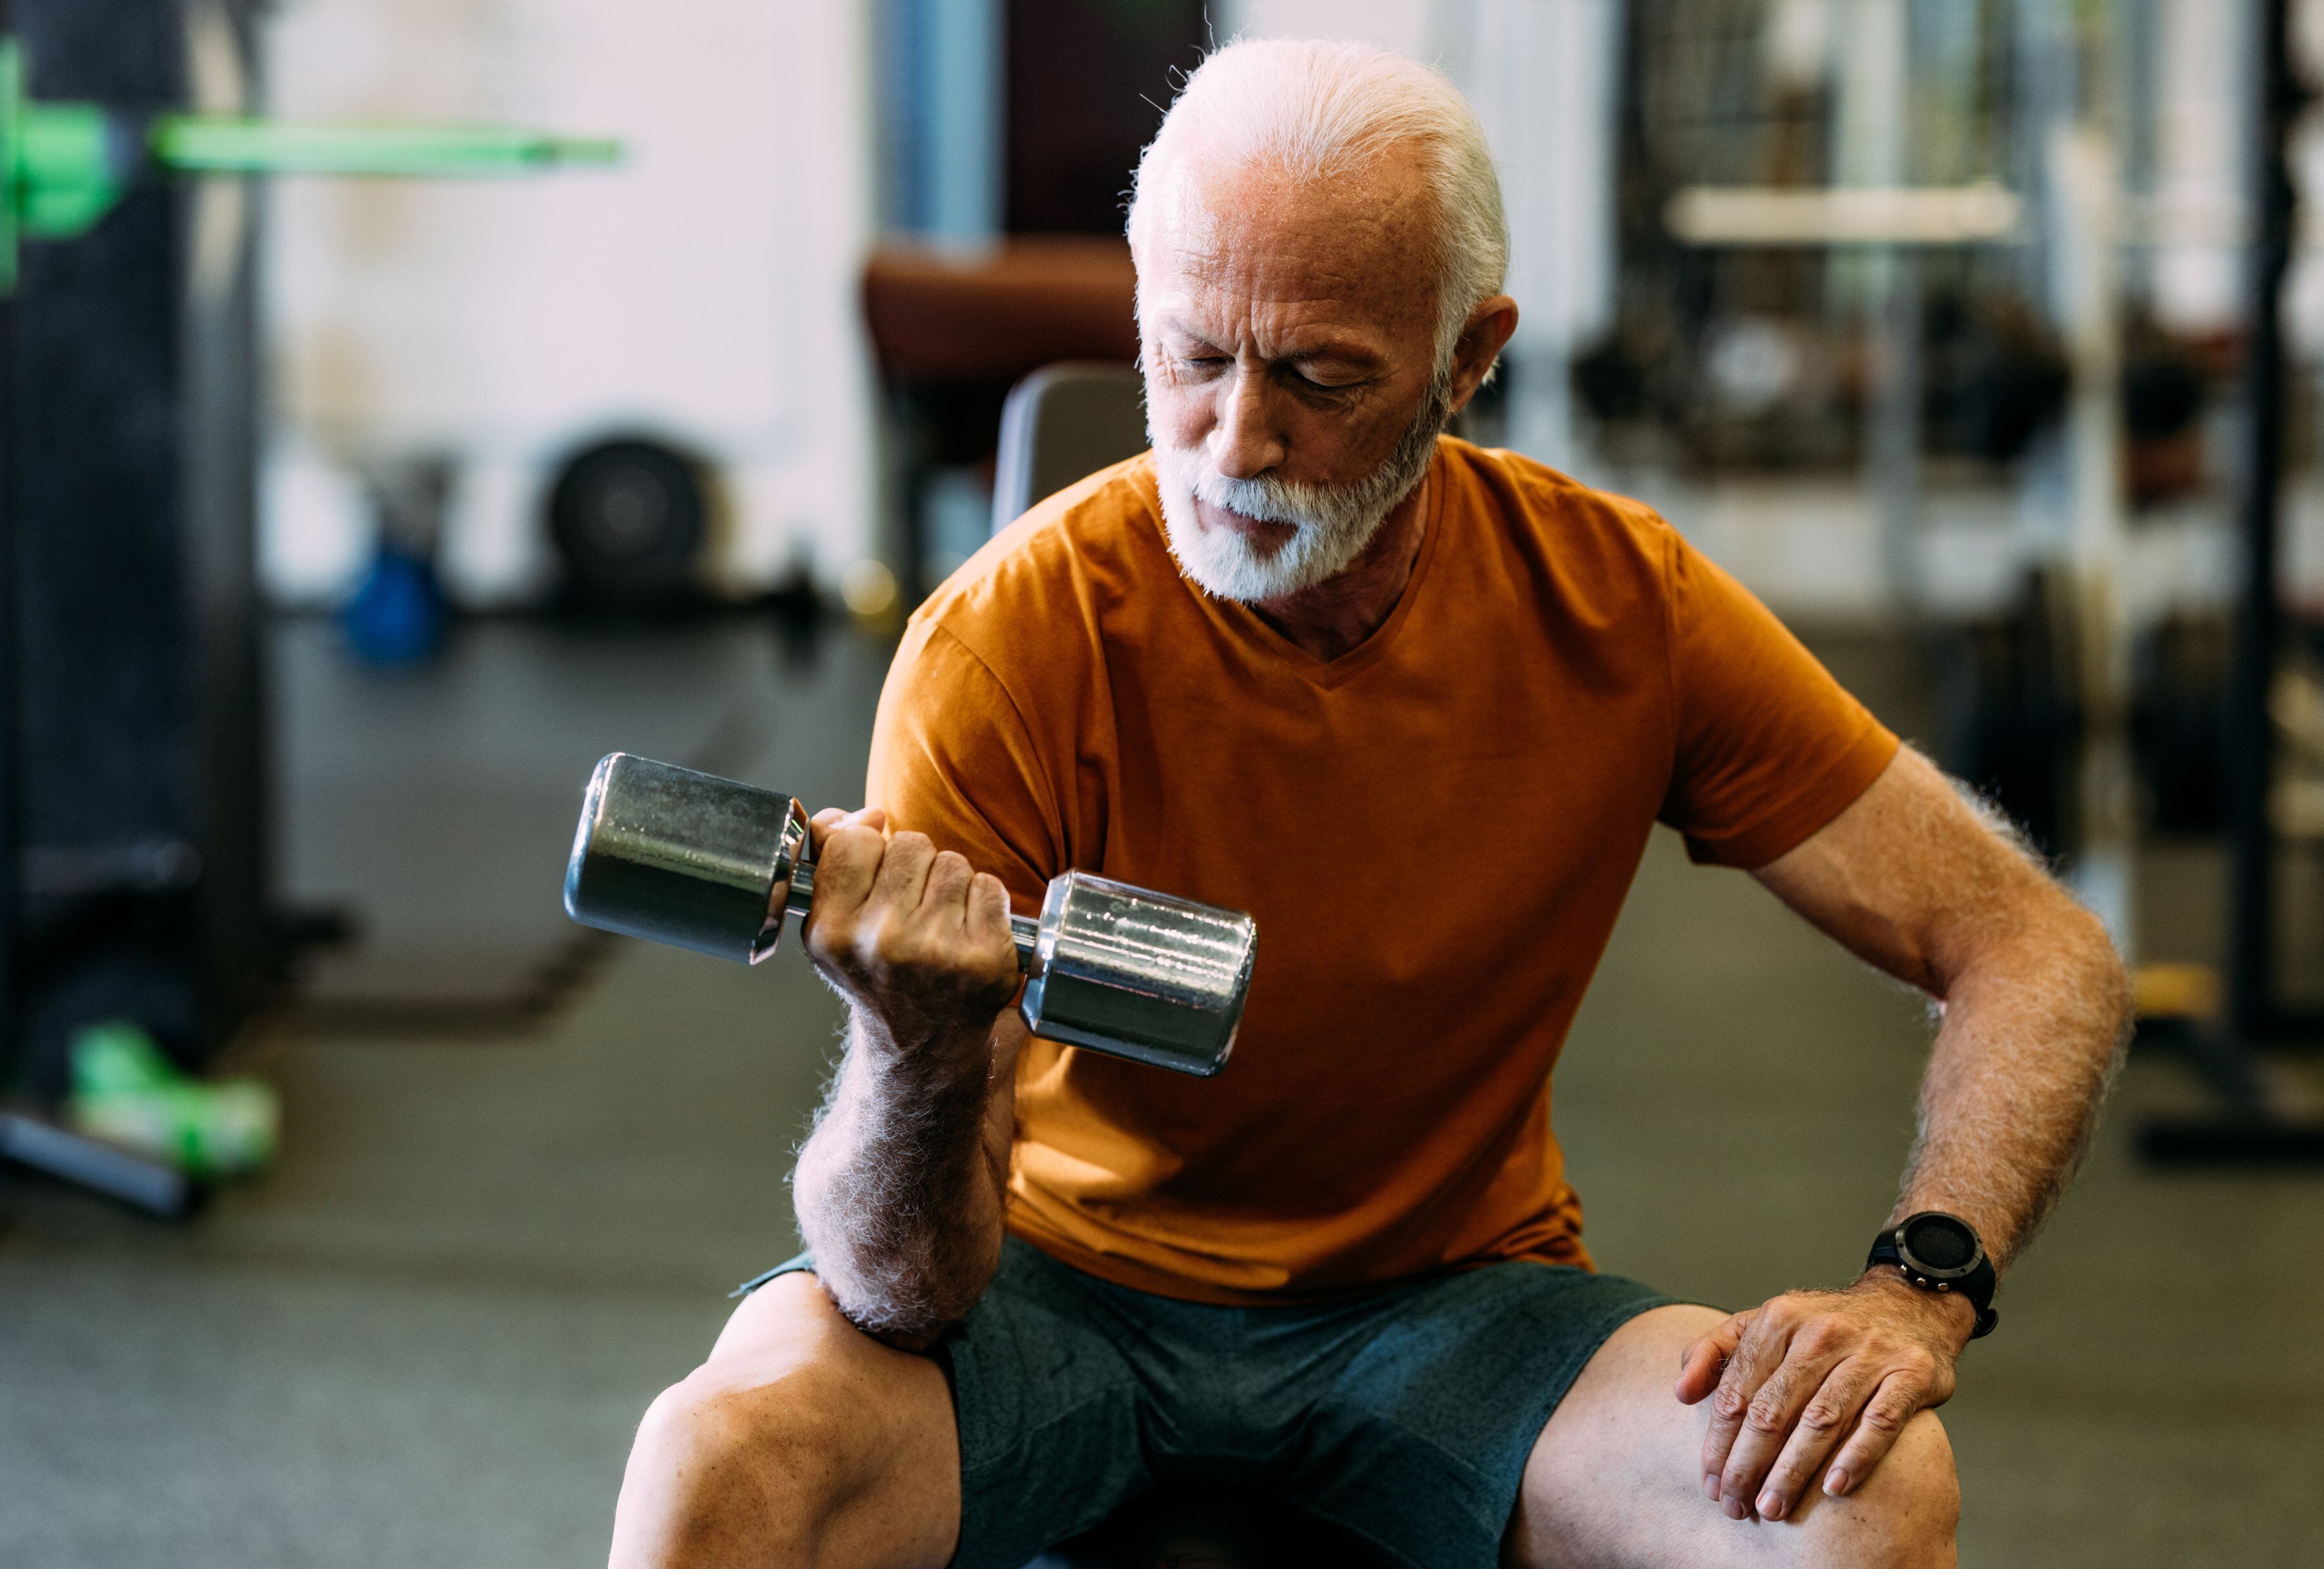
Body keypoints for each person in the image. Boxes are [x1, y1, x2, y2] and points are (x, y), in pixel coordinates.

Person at [609, 38, 2128, 1569]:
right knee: (719, 1465)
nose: (1235, 442)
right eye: (1192, 357)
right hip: (1054, 1291)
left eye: (1321, 377)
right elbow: (909, 1290)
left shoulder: (1615, 603)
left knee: (1868, 1510)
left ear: (1469, 360)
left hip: (1453, 1303)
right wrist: (921, 1050)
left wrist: (1915, 1292)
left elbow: (2032, 944)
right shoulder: (1009, 640)